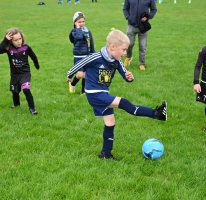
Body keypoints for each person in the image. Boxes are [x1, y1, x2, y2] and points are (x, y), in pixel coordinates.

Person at [67, 30, 167, 160]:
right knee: (124, 103)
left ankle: (105, 154)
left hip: (103, 93)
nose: (125, 53)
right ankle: (157, 114)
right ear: (113, 47)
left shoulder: (117, 61)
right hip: (94, 93)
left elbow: (125, 74)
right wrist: (69, 75)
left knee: (110, 122)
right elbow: (80, 64)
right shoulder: (95, 57)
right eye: (124, 50)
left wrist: (129, 77)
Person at [0, 28, 40, 115]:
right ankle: (16, 105)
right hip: (14, 75)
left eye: (20, 39)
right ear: (11, 41)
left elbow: (33, 56)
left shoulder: (26, 47)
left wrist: (36, 64)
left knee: (26, 90)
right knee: (15, 91)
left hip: (25, 74)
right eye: (15, 40)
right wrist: (5, 40)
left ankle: (32, 108)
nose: (19, 41)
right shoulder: (9, 49)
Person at [123, 0, 157, 70]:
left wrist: (148, 17)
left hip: (143, 26)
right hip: (131, 25)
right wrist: (128, 17)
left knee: (142, 46)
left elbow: (154, 9)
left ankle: (142, 64)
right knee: (129, 44)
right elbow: (125, 8)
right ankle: (128, 57)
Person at [69, 11, 95, 95]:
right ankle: (72, 84)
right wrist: (77, 28)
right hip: (78, 57)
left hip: (87, 55)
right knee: (80, 74)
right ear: (74, 22)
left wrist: (93, 54)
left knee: (86, 73)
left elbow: (91, 43)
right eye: (79, 22)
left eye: (83, 21)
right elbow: (79, 37)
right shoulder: (74, 32)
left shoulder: (88, 32)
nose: (81, 23)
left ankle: (83, 91)